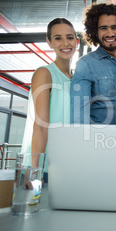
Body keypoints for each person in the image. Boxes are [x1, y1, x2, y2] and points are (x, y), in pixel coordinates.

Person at [21, 18, 78, 183]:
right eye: (58, 38)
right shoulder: (44, 73)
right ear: (49, 43)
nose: (65, 43)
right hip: (46, 168)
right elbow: (40, 125)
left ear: (77, 41)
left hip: (70, 165)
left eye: (69, 37)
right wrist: (34, 170)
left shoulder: (77, 79)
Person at [71, 3, 116, 124]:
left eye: (115, 27)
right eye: (103, 28)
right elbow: (79, 117)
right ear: (95, 32)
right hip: (98, 139)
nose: (110, 33)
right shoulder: (86, 64)